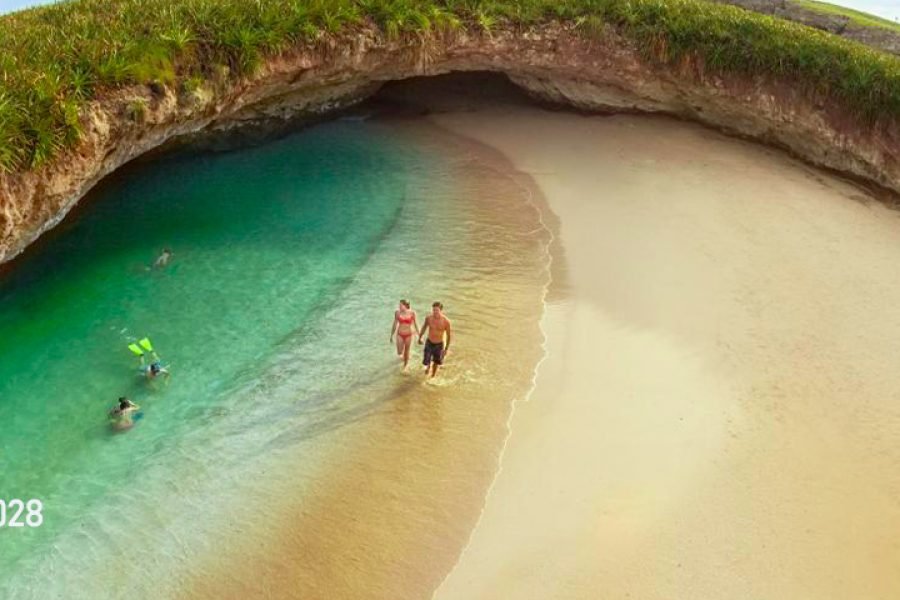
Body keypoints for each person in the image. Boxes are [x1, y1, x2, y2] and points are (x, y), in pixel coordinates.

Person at [418, 301, 452, 378]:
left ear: (441, 310)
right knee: (427, 359)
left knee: (436, 362)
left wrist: (446, 348)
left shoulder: (446, 321)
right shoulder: (429, 318)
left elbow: (449, 336)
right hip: (429, 342)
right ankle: (428, 366)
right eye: (433, 310)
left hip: (439, 344)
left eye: (437, 310)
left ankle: (433, 375)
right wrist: (420, 337)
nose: (435, 312)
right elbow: (424, 327)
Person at [390, 299, 420, 371]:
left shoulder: (412, 313)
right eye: (399, 305)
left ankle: (405, 366)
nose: (399, 306)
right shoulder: (397, 313)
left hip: (409, 334)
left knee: (407, 350)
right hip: (400, 334)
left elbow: (416, 324)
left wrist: (419, 336)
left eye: (401, 305)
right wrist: (391, 335)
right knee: (399, 352)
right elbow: (394, 324)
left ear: (406, 306)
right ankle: (404, 356)